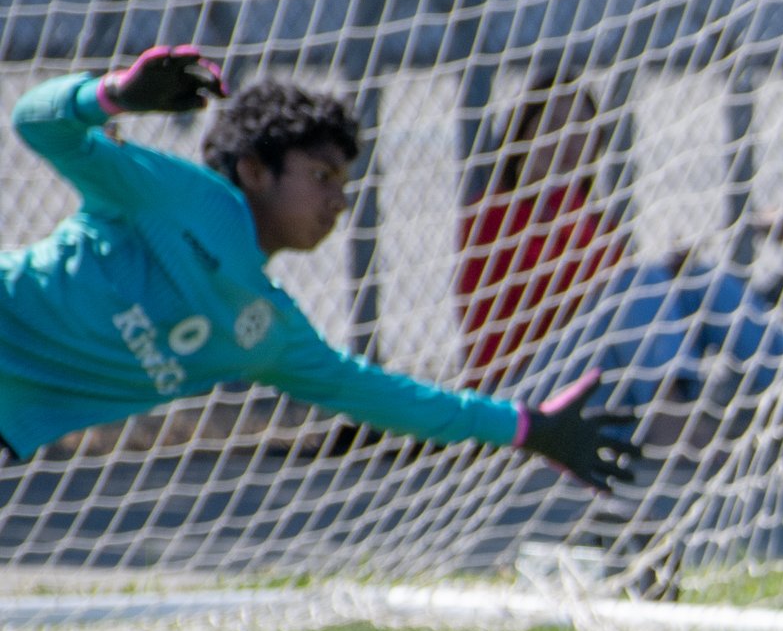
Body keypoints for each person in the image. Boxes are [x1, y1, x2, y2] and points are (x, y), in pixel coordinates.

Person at [2, 47, 642, 493]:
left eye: (344, 181)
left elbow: (377, 394)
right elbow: (37, 122)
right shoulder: (183, 195)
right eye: (321, 177)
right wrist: (112, 94)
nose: (339, 200)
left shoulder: (267, 328)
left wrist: (525, 426)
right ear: (255, 170)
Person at [457, 75, 626, 391]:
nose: (567, 138)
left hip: (593, 366)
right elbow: (560, 294)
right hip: (516, 381)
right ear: (523, 131)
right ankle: (676, 424)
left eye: (581, 127)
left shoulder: (597, 223)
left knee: (701, 281)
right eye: (553, 123)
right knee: (639, 294)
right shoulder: (491, 213)